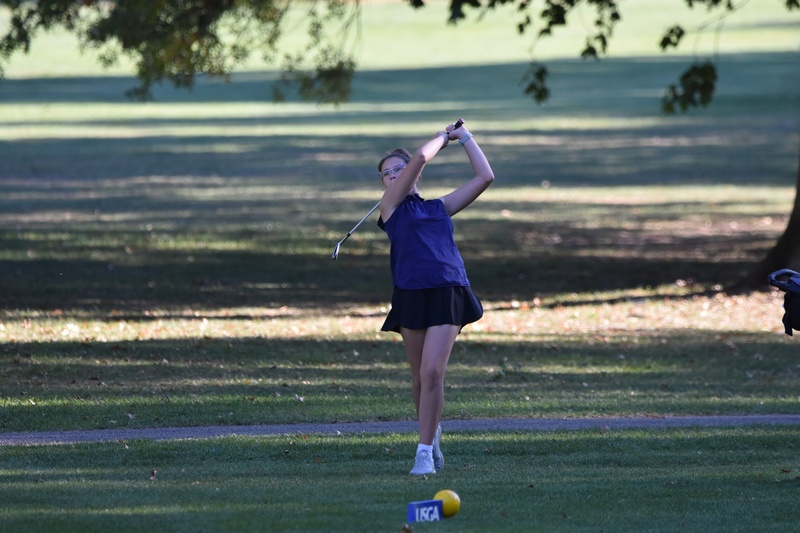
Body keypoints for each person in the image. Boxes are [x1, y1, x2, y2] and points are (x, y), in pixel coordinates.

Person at [376, 119, 494, 475]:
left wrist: (464, 137)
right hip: (410, 294)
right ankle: (431, 432)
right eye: (386, 174)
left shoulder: (439, 207)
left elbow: (484, 177)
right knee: (418, 379)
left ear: (415, 176)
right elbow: (420, 159)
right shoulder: (390, 208)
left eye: (398, 169)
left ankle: (424, 454)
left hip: (448, 289)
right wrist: (442, 137)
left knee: (431, 372)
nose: (393, 176)